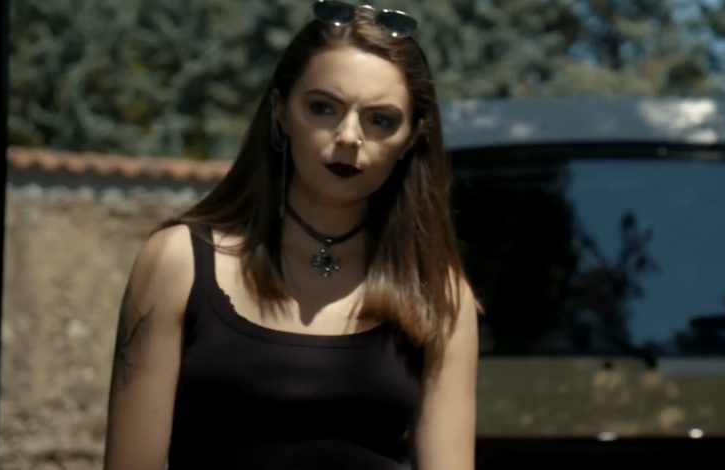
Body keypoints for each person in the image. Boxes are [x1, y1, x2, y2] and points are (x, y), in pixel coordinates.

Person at [102, 1, 479, 468]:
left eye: (380, 119)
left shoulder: (439, 296)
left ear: (413, 137)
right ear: (281, 110)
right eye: (323, 108)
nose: (349, 136)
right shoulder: (177, 263)